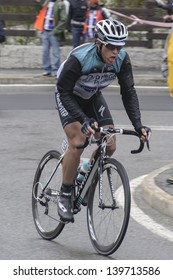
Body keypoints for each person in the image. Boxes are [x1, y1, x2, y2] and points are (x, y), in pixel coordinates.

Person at [55, 19, 152, 222]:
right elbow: (63, 92)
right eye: (111, 47)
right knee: (79, 141)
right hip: (68, 95)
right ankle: (64, 195)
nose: (115, 52)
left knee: (109, 144)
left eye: (119, 47)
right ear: (99, 43)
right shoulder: (80, 59)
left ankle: (84, 171)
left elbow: (128, 92)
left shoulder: (121, 59)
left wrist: (138, 125)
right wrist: (83, 119)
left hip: (92, 95)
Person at [34, 0, 67, 76]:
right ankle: (47, 69)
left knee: (56, 52)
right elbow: (39, 11)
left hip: (53, 32)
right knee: (45, 51)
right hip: (45, 31)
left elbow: (63, 19)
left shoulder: (60, 4)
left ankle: (56, 70)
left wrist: (56, 31)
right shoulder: (46, 3)